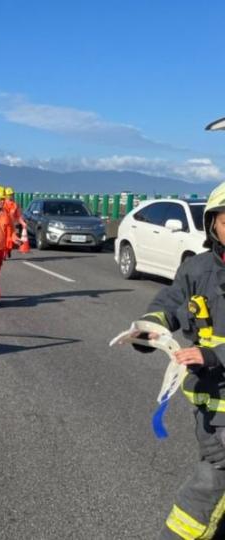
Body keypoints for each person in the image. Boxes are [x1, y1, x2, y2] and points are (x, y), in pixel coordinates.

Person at [133, 182, 225, 540]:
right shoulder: (198, 270)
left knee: (212, 485)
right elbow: (167, 305)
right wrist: (146, 331)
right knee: (214, 480)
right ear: (212, 225)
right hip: (212, 408)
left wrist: (213, 354)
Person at [3, 186, 28, 258]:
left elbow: (19, 216)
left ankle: (9, 250)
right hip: (3, 225)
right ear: (6, 196)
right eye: (10, 195)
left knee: (11, 239)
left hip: (12, 226)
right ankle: (4, 253)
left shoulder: (15, 205)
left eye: (12, 194)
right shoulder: (2, 204)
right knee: (4, 240)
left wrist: (23, 223)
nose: (12, 196)